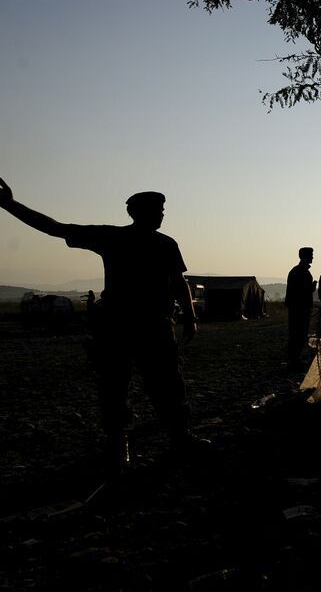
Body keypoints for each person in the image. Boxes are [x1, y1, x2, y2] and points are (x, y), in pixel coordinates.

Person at [0, 177, 205, 474]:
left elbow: (178, 281)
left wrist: (190, 315)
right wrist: (11, 204)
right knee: (119, 385)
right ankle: (121, 444)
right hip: (122, 325)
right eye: (157, 209)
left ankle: (175, 438)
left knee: (164, 384)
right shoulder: (116, 238)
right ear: (138, 212)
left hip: (148, 325)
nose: (162, 214)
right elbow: (56, 229)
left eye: (163, 209)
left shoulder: (163, 243)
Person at [285, 246, 316, 370]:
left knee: (298, 334)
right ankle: (294, 361)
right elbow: (300, 291)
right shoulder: (300, 271)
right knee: (298, 334)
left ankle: (294, 360)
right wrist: (311, 288)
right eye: (311, 254)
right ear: (304, 256)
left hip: (298, 307)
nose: (313, 257)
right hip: (300, 308)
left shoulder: (298, 271)